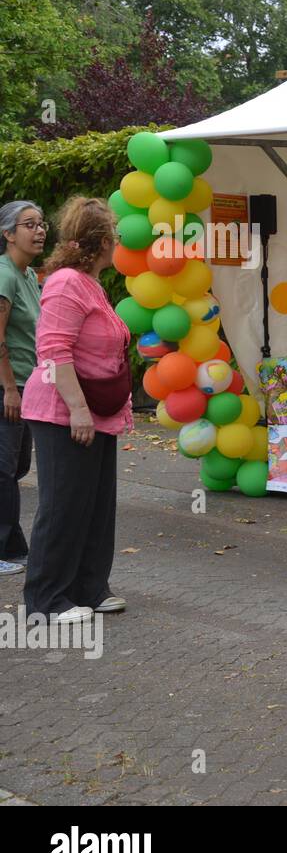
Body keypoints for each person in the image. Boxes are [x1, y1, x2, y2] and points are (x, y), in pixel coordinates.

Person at [22, 197, 132, 624]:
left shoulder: (91, 283)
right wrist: (78, 410)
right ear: (103, 241)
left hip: (95, 408)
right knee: (64, 503)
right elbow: (53, 351)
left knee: (97, 504)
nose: (120, 244)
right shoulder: (67, 282)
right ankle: (46, 601)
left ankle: (89, 587)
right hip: (62, 409)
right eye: (117, 237)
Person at [0, 201, 44, 577]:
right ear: (8, 234)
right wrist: (10, 388)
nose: (40, 230)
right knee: (3, 469)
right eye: (29, 224)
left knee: (17, 466)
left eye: (41, 223)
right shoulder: (4, 276)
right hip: (7, 387)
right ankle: (5, 548)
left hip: (29, 386)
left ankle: (12, 546)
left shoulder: (28, 275)